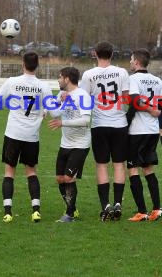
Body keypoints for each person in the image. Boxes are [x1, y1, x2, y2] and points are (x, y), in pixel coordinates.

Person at [0, 52, 52, 223]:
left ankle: (8, 212)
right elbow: (50, 109)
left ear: (22, 64)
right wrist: (44, 111)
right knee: (31, 171)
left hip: (13, 133)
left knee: (9, 171)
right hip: (31, 136)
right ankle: (35, 211)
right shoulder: (44, 86)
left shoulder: (12, 81)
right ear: (38, 65)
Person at [79, 41, 129, 221]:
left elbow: (85, 102)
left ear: (95, 53)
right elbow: (126, 100)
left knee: (101, 164)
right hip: (119, 124)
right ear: (112, 54)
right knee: (118, 165)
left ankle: (105, 205)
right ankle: (117, 203)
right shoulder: (122, 72)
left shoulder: (88, 75)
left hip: (99, 125)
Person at [47, 67, 92, 222]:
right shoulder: (62, 94)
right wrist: (59, 100)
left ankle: (69, 214)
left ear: (67, 79)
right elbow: (54, 113)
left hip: (80, 144)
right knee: (60, 179)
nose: (58, 80)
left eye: (60, 77)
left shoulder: (82, 95)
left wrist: (63, 123)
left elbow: (86, 121)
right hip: (65, 143)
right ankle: (72, 208)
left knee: (68, 178)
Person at [125, 49, 162, 222]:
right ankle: (157, 208)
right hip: (152, 130)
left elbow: (134, 100)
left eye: (131, 60)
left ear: (137, 62)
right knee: (148, 168)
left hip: (137, 130)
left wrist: (149, 109)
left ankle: (142, 211)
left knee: (133, 169)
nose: (130, 63)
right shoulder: (157, 80)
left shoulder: (132, 79)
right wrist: (156, 110)